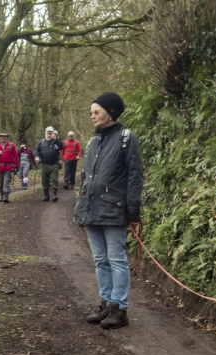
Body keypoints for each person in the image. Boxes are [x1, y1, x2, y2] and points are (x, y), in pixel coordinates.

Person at [73, 92, 144, 330]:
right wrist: (81, 210)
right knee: (100, 260)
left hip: (114, 210)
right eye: (91, 112)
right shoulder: (93, 142)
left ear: (110, 113)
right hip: (92, 210)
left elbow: (135, 175)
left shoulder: (127, 138)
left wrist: (133, 210)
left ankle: (119, 309)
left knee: (116, 260)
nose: (92, 116)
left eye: (96, 111)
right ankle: (104, 304)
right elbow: (85, 179)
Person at [34, 126, 63, 202]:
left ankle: (54, 195)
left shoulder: (56, 141)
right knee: (44, 181)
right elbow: (37, 150)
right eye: (48, 132)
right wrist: (37, 156)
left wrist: (55, 139)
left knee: (54, 180)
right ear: (45, 133)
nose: (49, 134)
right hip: (44, 164)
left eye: (51, 132)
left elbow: (61, 147)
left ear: (53, 133)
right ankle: (46, 196)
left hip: (54, 164)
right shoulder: (41, 142)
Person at [0, 129, 18, 203]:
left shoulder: (11, 145)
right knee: (0, 183)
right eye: (1, 136)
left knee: (6, 182)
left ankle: (6, 196)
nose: (3, 138)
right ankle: (1, 195)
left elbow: (15, 156)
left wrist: (16, 166)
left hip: (8, 167)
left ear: (6, 137)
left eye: (4, 136)